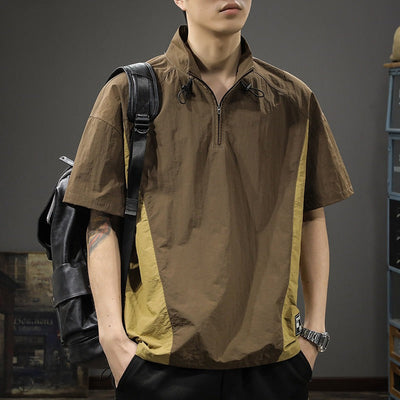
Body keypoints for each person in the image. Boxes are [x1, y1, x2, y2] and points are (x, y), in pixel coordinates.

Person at [63, 1, 355, 399]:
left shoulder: (293, 100)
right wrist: (113, 340)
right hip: (158, 362)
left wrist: (314, 333)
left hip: (273, 362)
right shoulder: (127, 94)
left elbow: (311, 215)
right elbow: (101, 222)